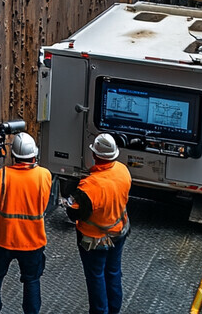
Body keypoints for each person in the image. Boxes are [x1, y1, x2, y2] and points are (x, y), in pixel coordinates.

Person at [0, 132, 51, 314]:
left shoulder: (1, 175)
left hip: (3, 239)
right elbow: (43, 204)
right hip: (32, 241)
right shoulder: (45, 175)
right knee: (32, 281)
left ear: (14, 156)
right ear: (34, 155)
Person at [66, 133, 132, 314]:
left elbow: (73, 213)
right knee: (113, 272)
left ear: (95, 155)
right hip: (118, 233)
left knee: (96, 276)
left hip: (94, 241)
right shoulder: (123, 171)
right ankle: (114, 309)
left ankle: (100, 311)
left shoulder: (90, 186)